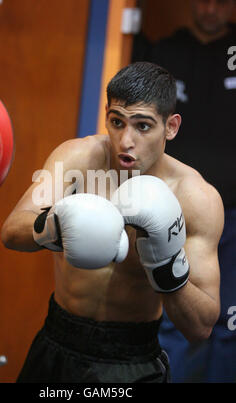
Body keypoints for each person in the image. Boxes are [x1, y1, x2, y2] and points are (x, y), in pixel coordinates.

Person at [1, 62, 224, 383]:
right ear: (106, 114)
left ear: (171, 127)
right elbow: (11, 232)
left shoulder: (195, 198)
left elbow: (201, 326)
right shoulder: (76, 158)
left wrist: (166, 266)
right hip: (56, 343)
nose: (125, 140)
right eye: (116, 122)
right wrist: (56, 226)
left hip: (131, 359)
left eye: (143, 126)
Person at [132, 0, 236, 382]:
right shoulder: (163, 53)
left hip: (234, 216)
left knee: (230, 321)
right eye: (203, 0)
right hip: (172, 211)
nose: (210, 9)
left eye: (221, 1)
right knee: (174, 314)